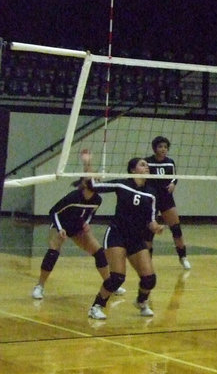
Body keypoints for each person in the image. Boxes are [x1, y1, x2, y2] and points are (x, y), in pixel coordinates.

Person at [31, 150, 125, 299]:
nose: (97, 181)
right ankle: (39, 286)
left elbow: (89, 216)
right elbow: (53, 212)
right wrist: (60, 228)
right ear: (86, 183)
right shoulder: (74, 196)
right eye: (94, 180)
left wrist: (86, 224)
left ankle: (110, 284)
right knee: (53, 252)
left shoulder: (97, 200)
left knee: (99, 253)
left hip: (77, 229)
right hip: (60, 226)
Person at [86, 157, 164, 320]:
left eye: (147, 165)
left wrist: (156, 227)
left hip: (136, 238)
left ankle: (141, 301)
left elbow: (151, 220)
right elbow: (92, 186)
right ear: (133, 170)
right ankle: (97, 306)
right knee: (117, 277)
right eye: (142, 165)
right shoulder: (122, 184)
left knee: (149, 279)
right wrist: (89, 168)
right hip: (117, 234)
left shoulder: (151, 193)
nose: (147, 167)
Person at [145, 136, 190, 270]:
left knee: (176, 229)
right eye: (160, 147)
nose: (163, 149)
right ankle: (147, 261)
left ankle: (183, 257)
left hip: (166, 198)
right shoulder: (147, 162)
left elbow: (174, 176)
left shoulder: (170, 162)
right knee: (149, 232)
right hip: (151, 200)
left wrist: (173, 183)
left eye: (165, 147)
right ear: (155, 148)